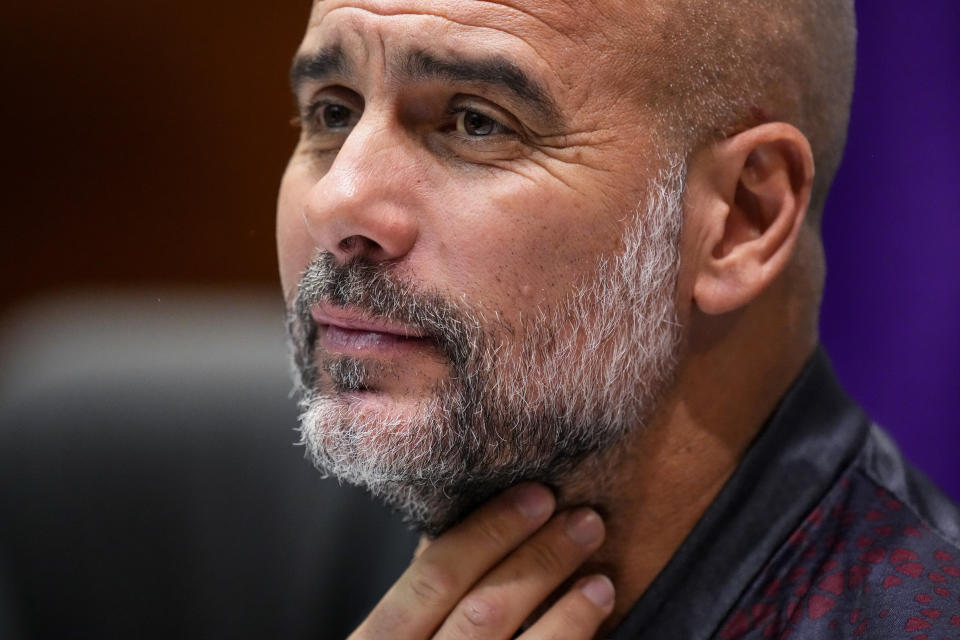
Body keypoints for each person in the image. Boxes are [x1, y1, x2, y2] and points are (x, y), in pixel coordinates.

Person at [276, 0, 960, 637]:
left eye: (476, 122)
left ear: (739, 222)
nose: (338, 201)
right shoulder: (368, 548)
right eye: (333, 113)